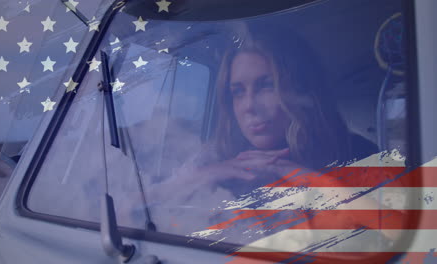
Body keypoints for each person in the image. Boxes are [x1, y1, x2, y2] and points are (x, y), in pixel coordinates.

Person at [141, 23, 402, 249]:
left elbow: (409, 235)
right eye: (238, 91)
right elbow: (130, 211)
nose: (249, 106)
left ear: (300, 88)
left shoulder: (358, 154)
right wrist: (207, 174)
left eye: (266, 85)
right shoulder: (216, 156)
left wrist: (313, 181)